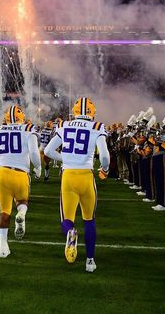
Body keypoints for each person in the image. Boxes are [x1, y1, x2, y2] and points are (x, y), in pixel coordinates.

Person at [44, 97, 110, 273]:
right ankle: (90, 260)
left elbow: (48, 151)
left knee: (66, 220)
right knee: (89, 220)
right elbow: (104, 156)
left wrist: (65, 159)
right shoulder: (97, 127)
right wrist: (105, 169)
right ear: (91, 112)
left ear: (74, 111)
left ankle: (71, 232)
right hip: (86, 176)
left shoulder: (64, 125)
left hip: (69, 176)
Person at [0, 105, 41, 257]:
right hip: (21, 174)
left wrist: (1, 159)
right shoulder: (28, 129)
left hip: (2, 173)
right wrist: (38, 167)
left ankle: (2, 247)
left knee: (4, 212)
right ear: (21, 117)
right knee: (22, 202)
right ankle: (21, 215)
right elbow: (35, 152)